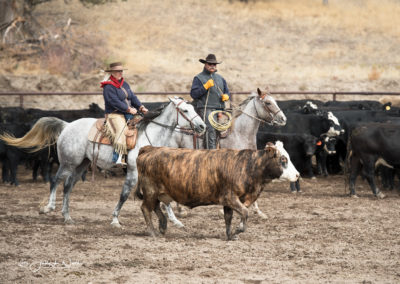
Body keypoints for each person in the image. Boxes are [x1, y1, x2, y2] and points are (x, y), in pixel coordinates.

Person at [100, 62, 148, 166]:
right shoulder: (108, 87)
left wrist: (141, 106)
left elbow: (133, 97)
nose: (120, 73)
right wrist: (128, 109)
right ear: (112, 72)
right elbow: (113, 101)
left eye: (121, 71)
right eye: (118, 71)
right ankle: (117, 157)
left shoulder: (124, 84)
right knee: (122, 130)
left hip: (127, 112)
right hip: (115, 114)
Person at [190, 54, 231, 149]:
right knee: (210, 128)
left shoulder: (221, 78)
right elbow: (193, 94)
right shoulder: (198, 78)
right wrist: (205, 87)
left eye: (214, 64)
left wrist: (227, 96)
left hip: (220, 109)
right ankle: (211, 152)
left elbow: (227, 91)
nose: (212, 66)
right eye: (210, 64)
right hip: (205, 108)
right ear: (205, 64)